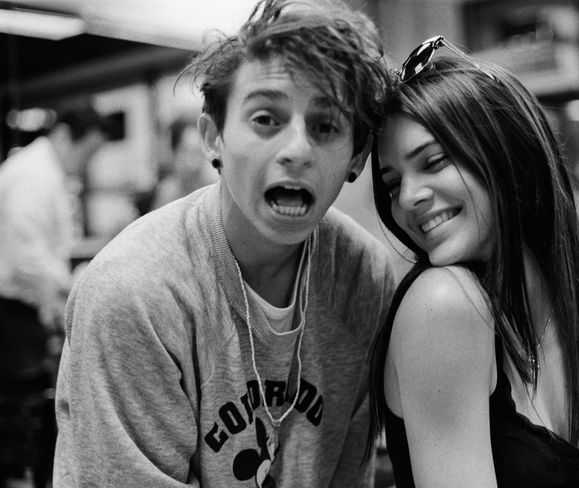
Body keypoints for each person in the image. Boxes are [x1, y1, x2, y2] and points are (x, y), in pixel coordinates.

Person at [53, 0, 395, 486]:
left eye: (326, 126)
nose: (297, 150)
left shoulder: (363, 275)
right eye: (266, 119)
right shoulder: (136, 293)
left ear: (357, 155)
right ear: (213, 137)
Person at [367, 36, 579, 487]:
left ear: (509, 150)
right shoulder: (444, 303)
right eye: (392, 184)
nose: (407, 198)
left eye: (434, 161)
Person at [0, 102, 112, 486]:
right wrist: (75, 285)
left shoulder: (49, 172)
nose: (86, 163)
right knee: (25, 411)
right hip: (9, 313)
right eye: (87, 151)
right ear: (63, 136)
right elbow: (25, 259)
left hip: (23, 306)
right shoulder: (33, 174)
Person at [151, 116, 218, 210]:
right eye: (189, 153)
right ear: (174, 152)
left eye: (200, 153)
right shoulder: (167, 195)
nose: (195, 163)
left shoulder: (212, 193)